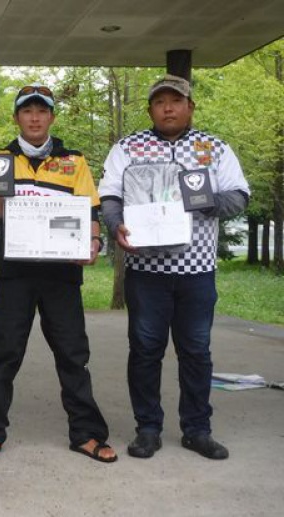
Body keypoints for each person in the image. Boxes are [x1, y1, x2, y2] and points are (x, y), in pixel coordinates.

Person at [99, 74, 250, 460]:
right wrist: (115, 225)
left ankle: (197, 429)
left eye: (176, 101)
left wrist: (207, 201)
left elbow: (239, 196)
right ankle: (147, 428)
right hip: (146, 272)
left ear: (190, 107)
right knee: (145, 350)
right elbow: (109, 195)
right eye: (160, 101)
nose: (168, 107)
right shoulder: (129, 147)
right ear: (150, 108)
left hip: (197, 272)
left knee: (197, 351)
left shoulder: (214, 148)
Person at [0, 84, 116, 464]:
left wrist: (94, 242)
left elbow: (91, 211)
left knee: (73, 354)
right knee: (3, 355)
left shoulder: (75, 160)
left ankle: (86, 433)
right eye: (27, 111)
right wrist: (9, 194)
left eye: (42, 111)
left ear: (51, 116)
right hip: (14, 272)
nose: (34, 117)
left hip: (61, 273)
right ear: (17, 117)